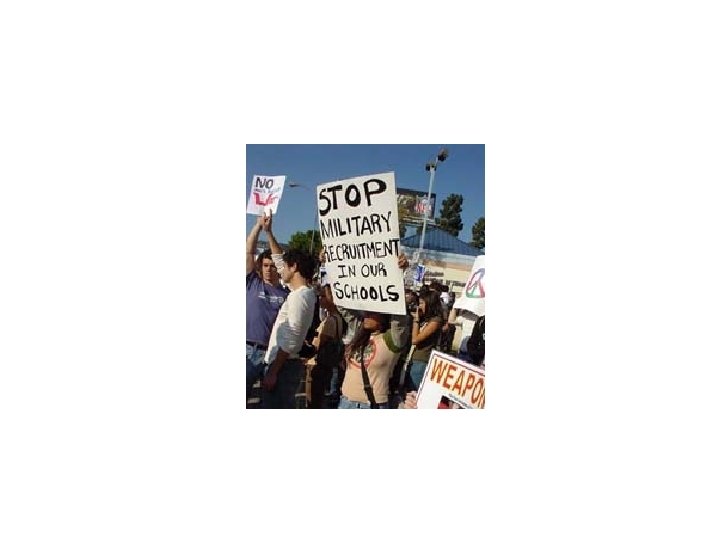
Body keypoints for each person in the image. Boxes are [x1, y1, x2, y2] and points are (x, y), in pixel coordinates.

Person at [261, 211, 317, 408]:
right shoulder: (302, 292)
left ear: (293, 267)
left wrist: (273, 371)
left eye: (285, 267)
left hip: (283, 367)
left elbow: (292, 339)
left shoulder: (299, 296)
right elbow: (279, 259)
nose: (280, 270)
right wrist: (268, 232)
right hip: (284, 366)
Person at [246, 213, 288, 404]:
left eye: (272, 266)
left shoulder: (286, 293)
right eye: (265, 265)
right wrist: (258, 227)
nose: (269, 269)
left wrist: (269, 233)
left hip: (271, 356)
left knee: (269, 404)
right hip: (247, 350)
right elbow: (248, 252)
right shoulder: (252, 283)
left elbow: (280, 259)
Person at [337, 311, 405, 409]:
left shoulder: (391, 340)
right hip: (346, 401)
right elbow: (344, 310)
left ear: (383, 317)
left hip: (371, 404)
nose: (366, 315)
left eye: (371, 313)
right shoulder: (358, 334)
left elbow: (400, 321)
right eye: (365, 313)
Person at [305, 284, 345, 409]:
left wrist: (307, 349)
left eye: (323, 296)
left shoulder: (330, 320)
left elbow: (319, 343)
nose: (320, 299)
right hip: (325, 363)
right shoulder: (336, 318)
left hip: (317, 363)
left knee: (313, 399)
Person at [405, 289, 444, 392]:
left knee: (413, 391)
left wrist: (416, 320)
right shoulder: (425, 318)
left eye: (422, 303)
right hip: (412, 357)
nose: (419, 306)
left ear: (430, 303)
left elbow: (415, 340)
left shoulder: (436, 321)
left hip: (422, 360)